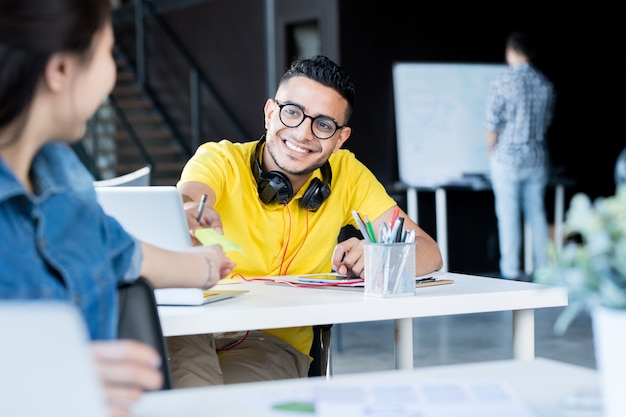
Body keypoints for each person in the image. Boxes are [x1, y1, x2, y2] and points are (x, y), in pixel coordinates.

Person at [0, 1, 234, 416]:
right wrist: (39, 379)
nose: (111, 76)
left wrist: (206, 264)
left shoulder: (61, 175)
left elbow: (117, 252)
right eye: (109, 51)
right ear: (60, 70)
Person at [168, 55, 443, 387]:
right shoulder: (220, 159)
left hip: (269, 344)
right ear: (271, 113)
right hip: (195, 329)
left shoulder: (348, 174)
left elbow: (429, 251)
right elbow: (190, 197)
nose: (303, 133)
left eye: (324, 124)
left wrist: (378, 255)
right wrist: (189, 213)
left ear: (340, 138)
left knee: (216, 401)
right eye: (292, 113)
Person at [485, 31, 556, 281]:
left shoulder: (503, 82)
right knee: (537, 214)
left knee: (508, 215)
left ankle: (511, 270)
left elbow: (492, 124)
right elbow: (546, 123)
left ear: (511, 51)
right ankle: (545, 268)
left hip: (507, 159)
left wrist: (491, 154)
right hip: (536, 159)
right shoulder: (545, 84)